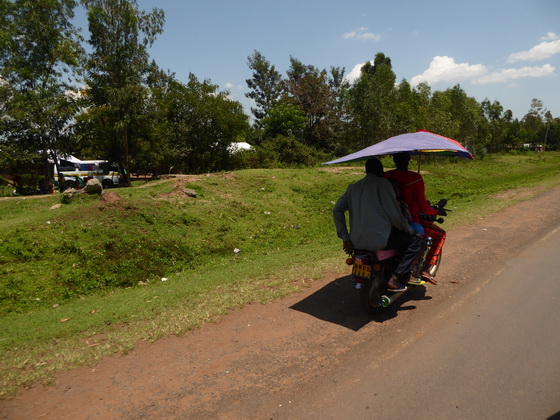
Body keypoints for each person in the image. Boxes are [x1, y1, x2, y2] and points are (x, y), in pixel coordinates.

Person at [333, 158, 423, 292]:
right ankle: (396, 277)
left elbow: (337, 210)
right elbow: (393, 213)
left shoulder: (353, 187)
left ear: (366, 170)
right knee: (415, 241)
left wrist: (345, 237)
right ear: (380, 171)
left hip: (356, 241)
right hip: (380, 240)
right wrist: (408, 229)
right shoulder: (383, 184)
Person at [384, 153, 446, 284]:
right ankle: (427, 269)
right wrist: (436, 211)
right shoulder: (415, 178)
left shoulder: (386, 176)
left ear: (394, 160)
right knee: (440, 234)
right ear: (408, 160)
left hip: (386, 218)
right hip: (410, 219)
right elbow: (423, 206)